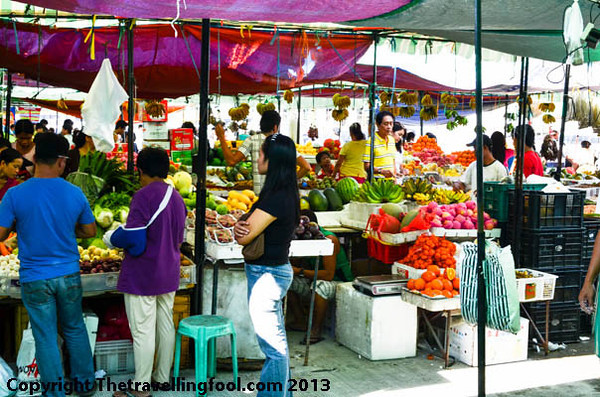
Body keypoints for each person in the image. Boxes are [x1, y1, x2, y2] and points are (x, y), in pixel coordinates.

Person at [0, 133, 97, 397]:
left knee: (45, 336)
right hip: (67, 273)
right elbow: (90, 231)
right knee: (75, 328)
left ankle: (54, 392)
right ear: (62, 161)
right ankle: (85, 385)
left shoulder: (14, 194)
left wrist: (22, 226)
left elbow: (0, 233)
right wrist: (66, 228)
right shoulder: (74, 192)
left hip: (34, 277)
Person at [111, 147, 187, 397]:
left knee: (143, 330)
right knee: (165, 324)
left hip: (144, 273)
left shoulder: (143, 196)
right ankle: (162, 378)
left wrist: (113, 237)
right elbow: (179, 239)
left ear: (141, 171)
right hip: (169, 271)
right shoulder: (176, 197)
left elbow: (136, 240)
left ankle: (141, 387)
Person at [233, 134, 299, 396]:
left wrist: (240, 227)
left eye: (260, 154)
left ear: (272, 161)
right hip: (273, 271)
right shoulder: (284, 193)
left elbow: (245, 235)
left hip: (266, 275)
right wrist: (242, 224)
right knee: (277, 342)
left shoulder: (276, 197)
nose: (257, 158)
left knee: (274, 348)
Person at [287, 210, 353, 344]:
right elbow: (295, 264)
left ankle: (316, 330)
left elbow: (328, 275)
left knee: (320, 286)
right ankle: (301, 321)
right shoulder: (302, 238)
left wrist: (299, 271)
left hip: (338, 281)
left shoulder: (329, 240)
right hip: (314, 278)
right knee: (286, 280)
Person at [215, 110, 311, 194]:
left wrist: (222, 138)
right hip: (280, 195)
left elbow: (231, 161)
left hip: (260, 197)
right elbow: (306, 167)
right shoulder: (283, 142)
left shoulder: (252, 140)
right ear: (275, 127)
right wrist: (289, 182)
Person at [363, 111, 397, 178]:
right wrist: (381, 171)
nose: (389, 127)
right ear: (378, 125)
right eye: (386, 124)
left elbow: (393, 162)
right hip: (376, 182)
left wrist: (395, 176)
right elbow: (366, 166)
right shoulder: (371, 141)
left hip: (391, 181)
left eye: (391, 124)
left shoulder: (392, 140)